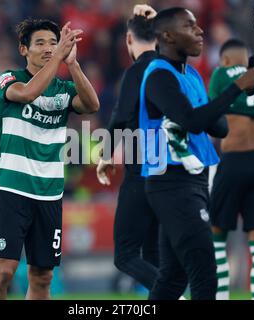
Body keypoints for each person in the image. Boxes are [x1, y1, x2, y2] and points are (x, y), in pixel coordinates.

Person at [139, 7, 254, 300]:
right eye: (190, 26)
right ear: (167, 35)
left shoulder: (191, 74)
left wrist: (233, 95)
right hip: (171, 181)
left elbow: (218, 127)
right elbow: (193, 121)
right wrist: (234, 89)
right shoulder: (158, 76)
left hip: (191, 181)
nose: (200, 31)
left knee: (172, 278)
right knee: (205, 273)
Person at [0, 18, 99, 300]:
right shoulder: (9, 79)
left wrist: (72, 64)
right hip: (13, 189)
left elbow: (92, 105)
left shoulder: (63, 89)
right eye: (40, 43)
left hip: (49, 193)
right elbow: (28, 93)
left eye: (53, 42)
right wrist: (59, 56)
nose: (48, 48)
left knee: (43, 276)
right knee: (4, 272)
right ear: (24, 49)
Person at [208, 39, 254, 300]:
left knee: (217, 235)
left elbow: (212, 112)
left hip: (233, 159)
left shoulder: (221, 74)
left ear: (226, 60)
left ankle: (221, 297)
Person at [96, 5, 160, 293]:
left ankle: (174, 293)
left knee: (125, 255)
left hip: (142, 172)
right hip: (171, 176)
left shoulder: (136, 73)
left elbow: (121, 117)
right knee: (154, 255)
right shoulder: (176, 70)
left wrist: (106, 154)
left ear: (128, 40)